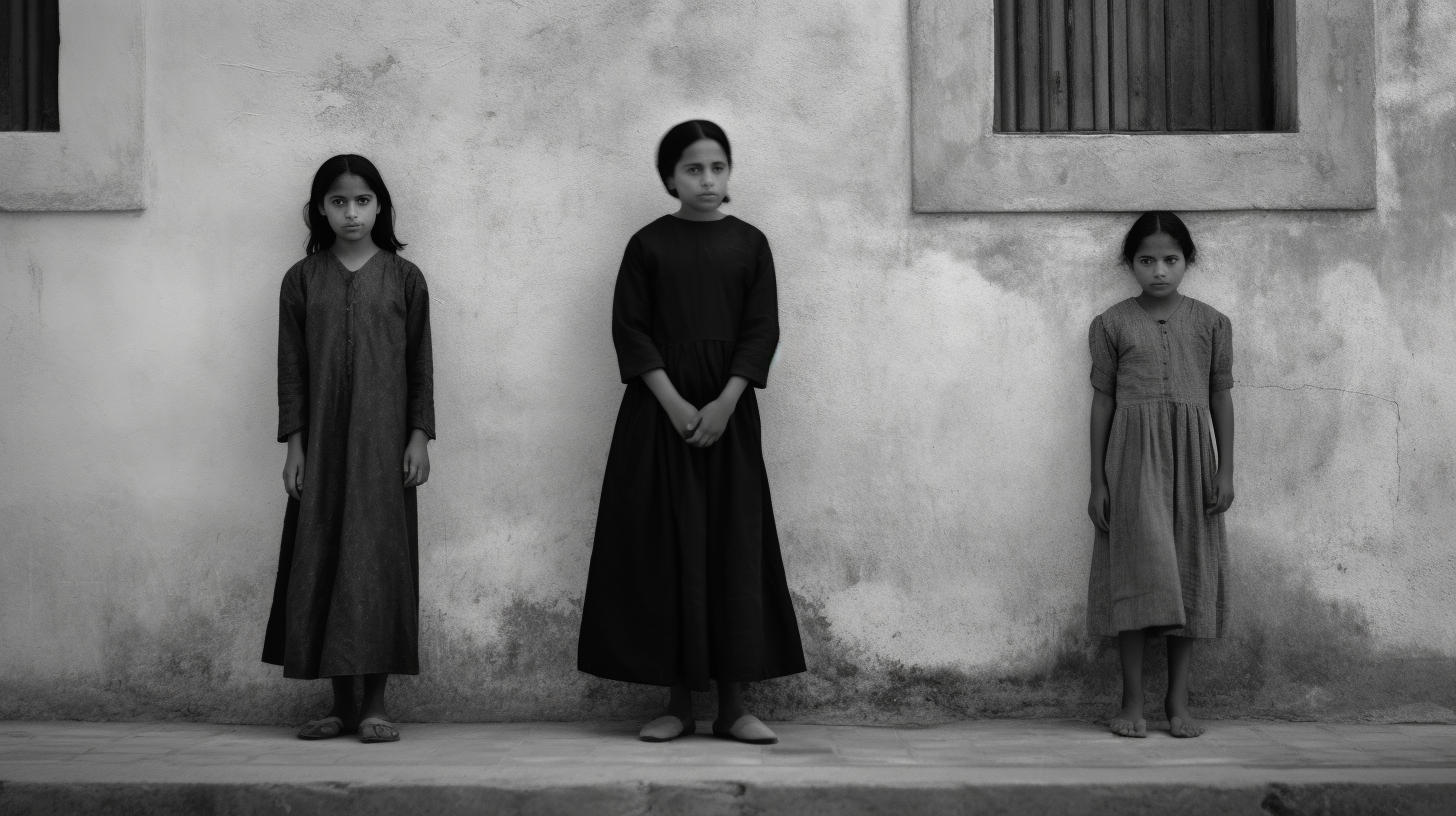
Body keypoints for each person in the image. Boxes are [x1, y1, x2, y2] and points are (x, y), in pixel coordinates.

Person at [577, 120, 805, 744]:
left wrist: (726, 402)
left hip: (729, 419)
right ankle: (677, 705)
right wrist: (676, 404)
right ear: (669, 178)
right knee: (666, 548)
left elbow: (761, 330)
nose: (707, 179)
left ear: (729, 173)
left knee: (733, 546)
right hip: (658, 418)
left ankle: (733, 707)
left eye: (717, 167)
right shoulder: (647, 245)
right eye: (693, 169)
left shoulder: (750, 244)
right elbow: (631, 330)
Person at [262, 154, 434, 744]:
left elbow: (420, 364)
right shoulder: (302, 280)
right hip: (323, 449)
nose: (351, 212)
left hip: (385, 451)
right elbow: (291, 370)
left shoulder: (405, 279)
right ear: (320, 209)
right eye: (338, 201)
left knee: (378, 563)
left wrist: (419, 436)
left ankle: (376, 706)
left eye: (362, 200)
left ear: (380, 206)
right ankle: (339, 705)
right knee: (326, 558)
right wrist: (295, 447)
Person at [1086, 211, 1234, 739]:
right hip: (1132, 461)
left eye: (1170, 259)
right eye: (1146, 260)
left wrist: (1226, 469)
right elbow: (1103, 403)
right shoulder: (1111, 324)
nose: (1159, 271)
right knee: (1134, 572)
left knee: (1190, 569)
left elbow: (1220, 398)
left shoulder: (1213, 324)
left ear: (1187, 261)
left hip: (1194, 461)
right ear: (1130, 264)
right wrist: (1098, 481)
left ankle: (1177, 699)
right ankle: (1131, 700)